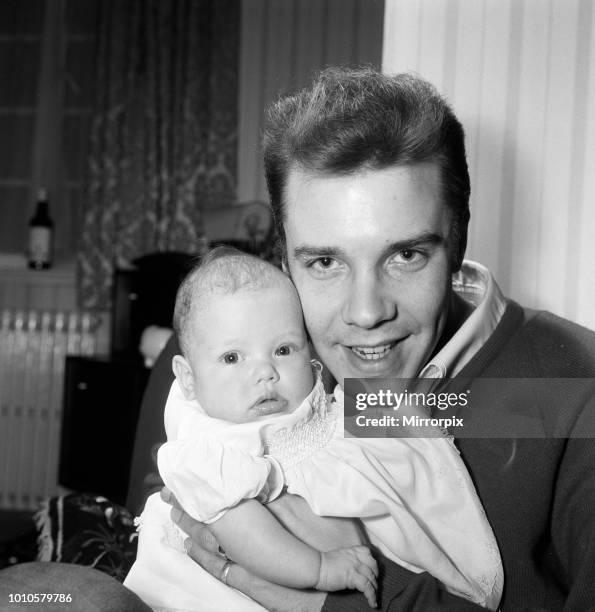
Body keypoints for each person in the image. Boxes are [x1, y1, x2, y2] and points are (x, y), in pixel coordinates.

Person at [2, 66, 594, 611]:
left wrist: (342, 601)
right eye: (324, 263)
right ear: (283, 257)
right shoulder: (235, 367)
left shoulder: (571, 391)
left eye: (407, 255)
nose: (366, 315)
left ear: (458, 241)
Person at [123, 248, 503, 611]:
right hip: (233, 587)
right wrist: (321, 568)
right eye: (232, 358)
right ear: (188, 379)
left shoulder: (329, 395)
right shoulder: (214, 452)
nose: (264, 371)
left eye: (284, 350)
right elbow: (244, 535)